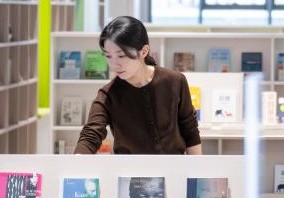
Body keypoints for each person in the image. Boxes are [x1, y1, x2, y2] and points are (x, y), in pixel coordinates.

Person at [75, 16, 202, 155]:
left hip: (174, 167)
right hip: (129, 168)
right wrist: (77, 160)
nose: (114, 65)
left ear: (144, 51)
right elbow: (91, 134)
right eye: (108, 56)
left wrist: (196, 167)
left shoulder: (175, 81)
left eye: (121, 56)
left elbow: (190, 130)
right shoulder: (108, 94)